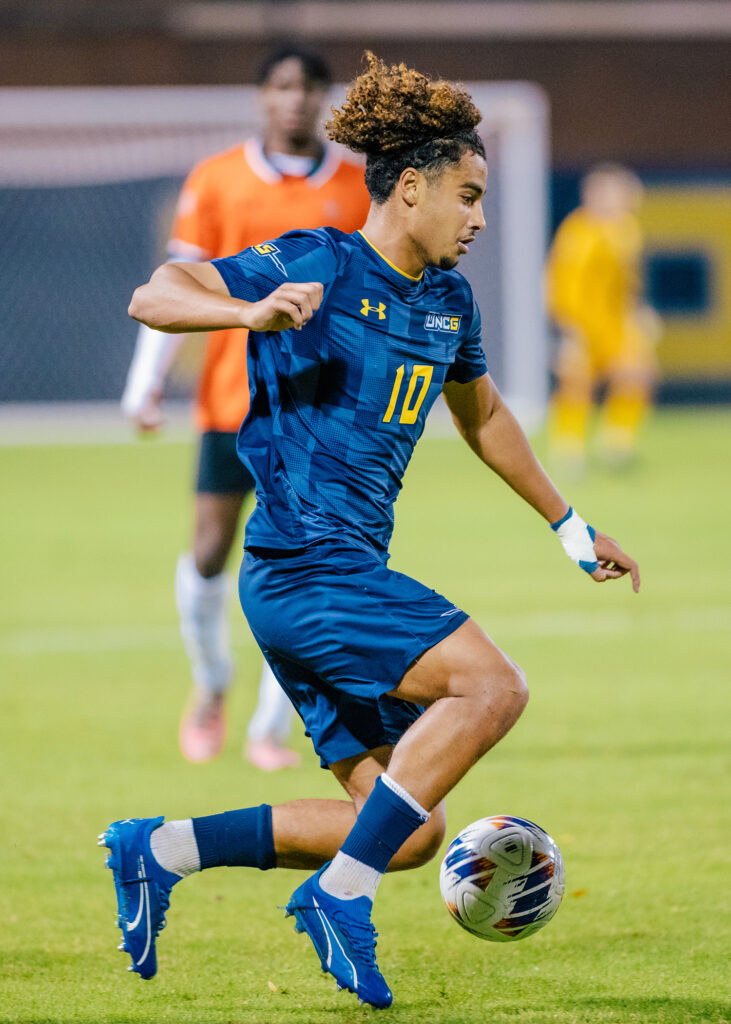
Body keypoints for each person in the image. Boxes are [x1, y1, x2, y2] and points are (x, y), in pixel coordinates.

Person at [102, 54, 640, 1009]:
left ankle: (162, 848)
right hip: (307, 568)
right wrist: (244, 310)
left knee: (413, 828)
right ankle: (338, 897)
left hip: (323, 580)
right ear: (410, 186)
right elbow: (155, 293)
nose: (479, 218)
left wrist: (569, 525)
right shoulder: (319, 260)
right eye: (467, 196)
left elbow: (482, 418)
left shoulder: (446, 301)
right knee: (491, 685)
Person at [120, 45, 371, 769]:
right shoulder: (217, 180)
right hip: (233, 401)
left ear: (324, 97)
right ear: (262, 96)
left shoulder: (357, 188)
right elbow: (174, 285)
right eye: (281, 87)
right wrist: (146, 384)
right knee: (209, 550)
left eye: (307, 88)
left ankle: (270, 725)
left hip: (319, 410)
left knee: (301, 563)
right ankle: (210, 684)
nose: (293, 100)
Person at [545, 163, 660, 472]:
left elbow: (629, 281)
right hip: (581, 325)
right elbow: (560, 281)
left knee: (639, 374)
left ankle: (617, 444)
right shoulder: (578, 232)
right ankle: (568, 449)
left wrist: (639, 312)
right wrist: (567, 328)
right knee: (576, 384)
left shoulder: (627, 230)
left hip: (617, 324)